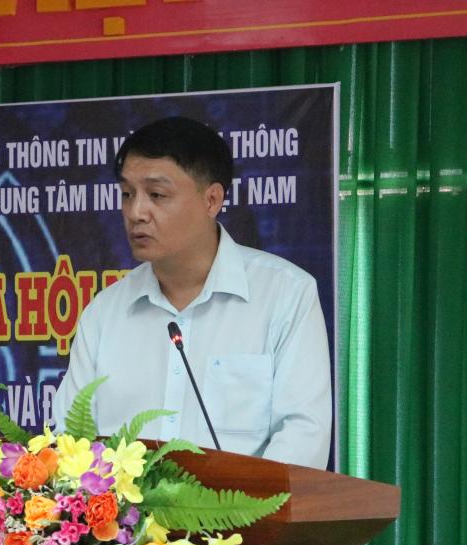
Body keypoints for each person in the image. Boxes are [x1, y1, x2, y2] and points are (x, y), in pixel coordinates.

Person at [51, 116, 331, 469]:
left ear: (212, 200)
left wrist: (236, 502)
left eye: (156, 195)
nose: (136, 212)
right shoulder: (104, 313)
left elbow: (304, 435)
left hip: (238, 506)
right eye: (127, 194)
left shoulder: (285, 296)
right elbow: (69, 438)